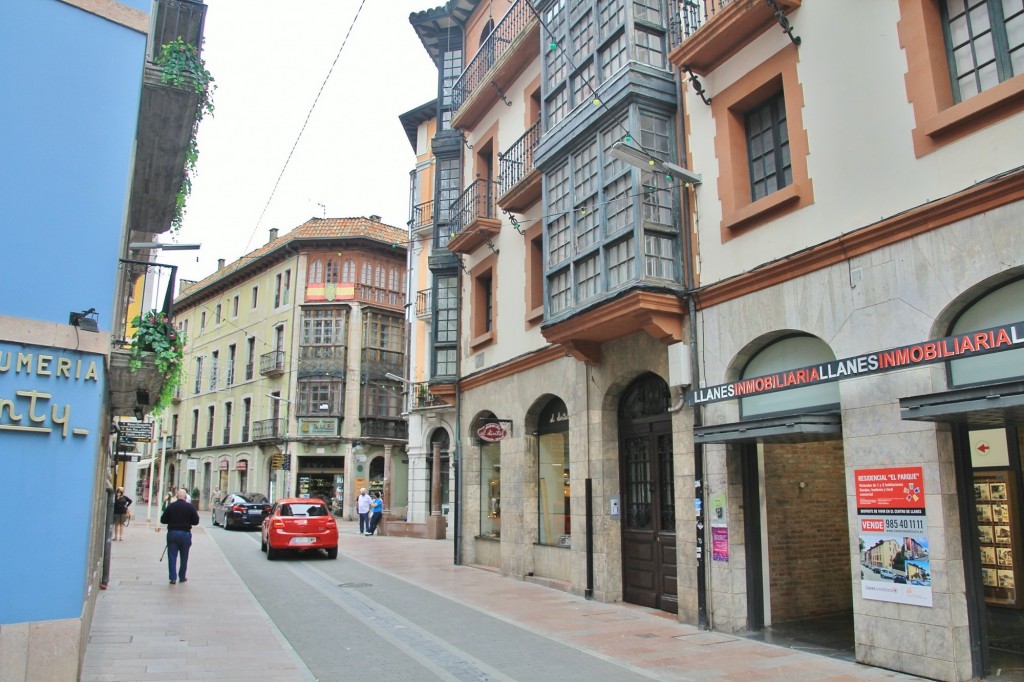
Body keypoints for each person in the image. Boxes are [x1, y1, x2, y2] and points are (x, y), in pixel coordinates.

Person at [160, 488, 200, 585]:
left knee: (172, 556)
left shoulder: (171, 506)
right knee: (184, 556)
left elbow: (163, 520)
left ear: (176, 496)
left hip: (173, 533)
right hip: (185, 534)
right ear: (186, 497)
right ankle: (182, 576)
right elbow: (196, 521)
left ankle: (173, 577)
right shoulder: (190, 507)